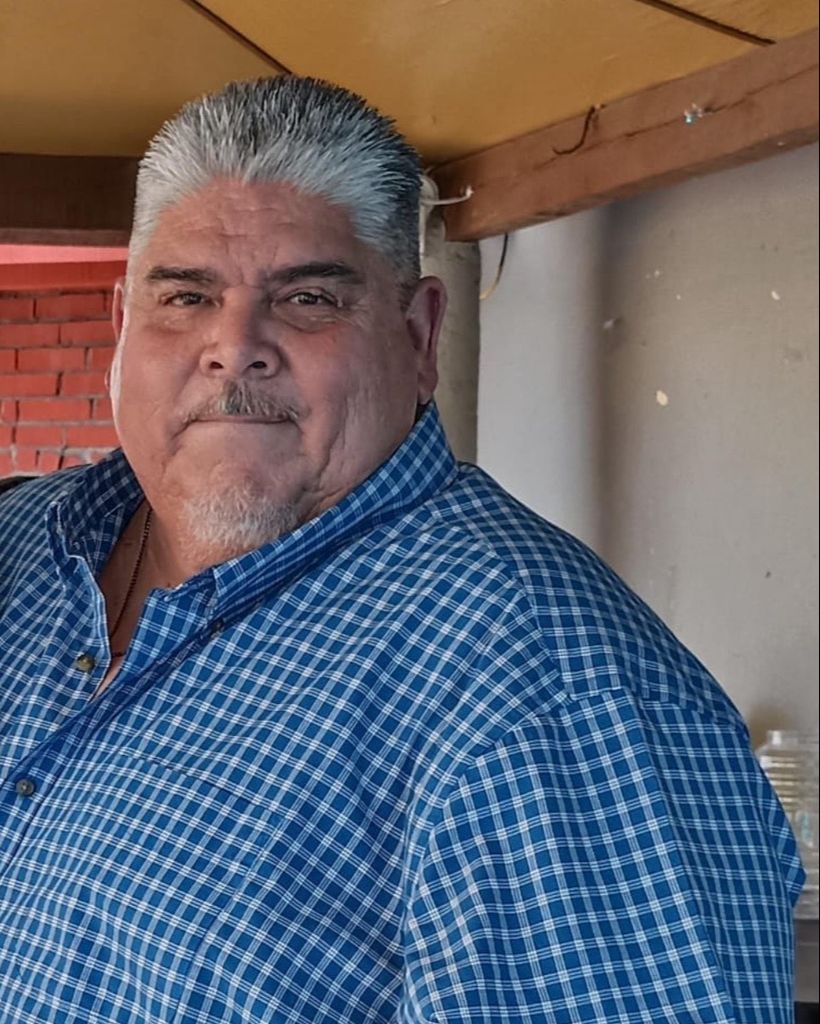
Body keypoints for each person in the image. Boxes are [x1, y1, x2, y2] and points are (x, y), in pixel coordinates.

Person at [0, 76, 803, 1024]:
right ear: (123, 330)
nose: (234, 345)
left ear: (419, 337)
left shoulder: (548, 694)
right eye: (185, 295)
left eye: (307, 298)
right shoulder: (25, 546)